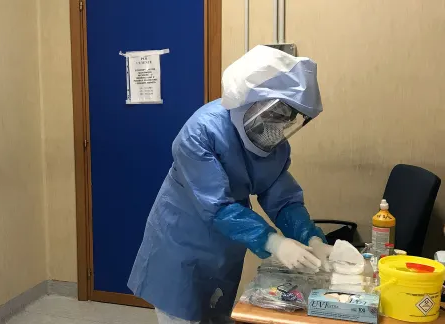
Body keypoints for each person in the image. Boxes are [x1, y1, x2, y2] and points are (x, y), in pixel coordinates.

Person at [128, 45, 333, 324]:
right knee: (180, 315)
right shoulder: (201, 132)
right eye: (276, 114)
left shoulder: (272, 144)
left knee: (215, 314)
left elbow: (282, 198)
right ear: (253, 101)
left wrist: (311, 238)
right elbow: (218, 206)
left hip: (226, 244)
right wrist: (275, 242)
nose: (278, 126)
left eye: (287, 118)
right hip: (180, 242)